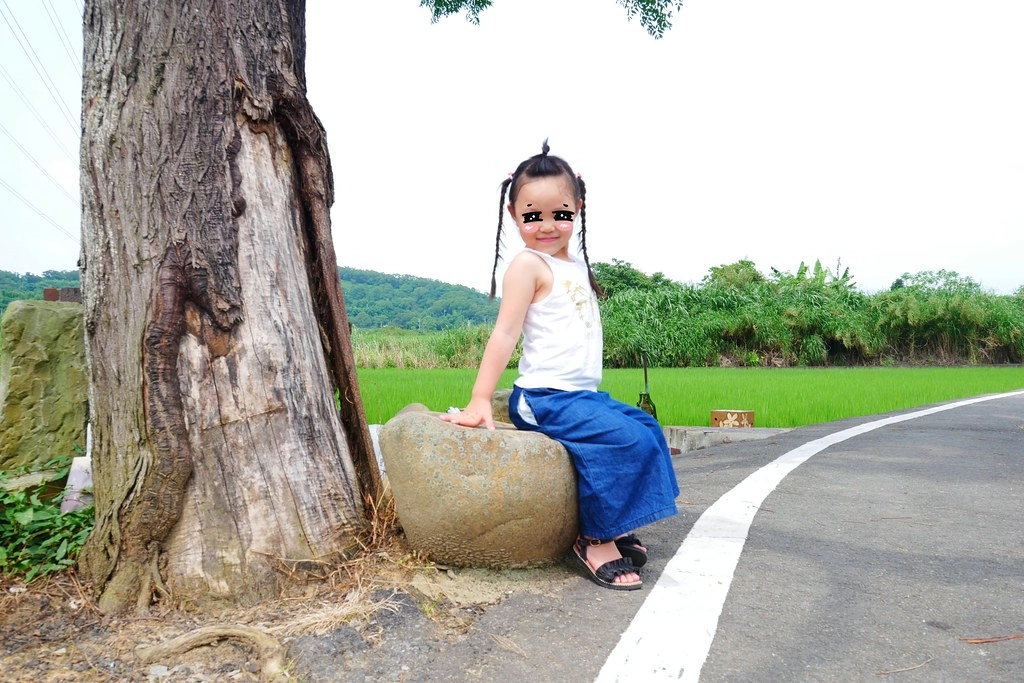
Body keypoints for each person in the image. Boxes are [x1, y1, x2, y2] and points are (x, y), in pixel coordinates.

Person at [441, 140, 679, 591]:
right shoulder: (527, 265)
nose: (547, 225)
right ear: (514, 215)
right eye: (533, 215)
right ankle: (594, 537)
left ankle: (620, 523)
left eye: (560, 213)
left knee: (646, 429)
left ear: (578, 209)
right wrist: (479, 398)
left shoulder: (576, 263)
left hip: (582, 396)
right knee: (622, 440)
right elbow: (505, 333)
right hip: (545, 397)